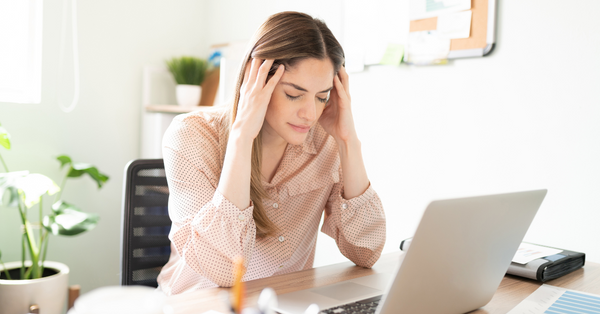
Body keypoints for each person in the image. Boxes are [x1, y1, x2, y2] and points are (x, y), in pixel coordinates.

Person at [157, 11, 386, 295]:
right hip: (197, 305)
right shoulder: (191, 136)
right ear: (257, 80)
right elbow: (224, 271)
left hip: (282, 305)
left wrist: (348, 140)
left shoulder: (327, 142)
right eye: (293, 94)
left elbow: (367, 251)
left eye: (322, 97)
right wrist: (242, 138)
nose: (310, 113)